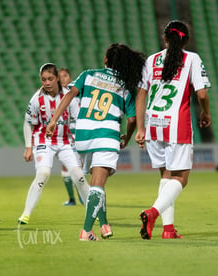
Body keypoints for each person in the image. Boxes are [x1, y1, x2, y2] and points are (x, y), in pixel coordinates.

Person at [46, 43, 146, 241]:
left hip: (82, 136)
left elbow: (69, 94)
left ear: (106, 60)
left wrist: (53, 119)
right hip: (106, 135)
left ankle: (105, 225)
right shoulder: (126, 86)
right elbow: (133, 119)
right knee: (98, 186)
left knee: (96, 184)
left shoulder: (88, 74)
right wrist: (127, 135)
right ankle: (86, 231)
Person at [135, 20, 211, 240]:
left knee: (166, 176)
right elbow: (202, 94)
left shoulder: (152, 60)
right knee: (181, 178)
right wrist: (205, 113)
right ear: (185, 39)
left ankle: (168, 230)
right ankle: (152, 213)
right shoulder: (191, 59)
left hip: (153, 124)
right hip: (176, 124)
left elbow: (141, 94)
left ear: (165, 38)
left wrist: (141, 128)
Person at [18, 63, 90, 225]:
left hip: (65, 141)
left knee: (79, 176)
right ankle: (26, 214)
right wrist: (28, 147)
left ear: (57, 78)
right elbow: (28, 123)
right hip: (44, 140)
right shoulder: (37, 99)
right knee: (43, 173)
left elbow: (79, 119)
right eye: (43, 80)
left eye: (50, 79)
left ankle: (92, 213)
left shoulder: (69, 96)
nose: (47, 83)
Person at [58, 68, 83, 206]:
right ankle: (72, 198)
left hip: (77, 134)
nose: (62, 78)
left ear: (70, 77)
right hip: (64, 135)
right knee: (65, 166)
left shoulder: (76, 92)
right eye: (60, 76)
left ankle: (81, 195)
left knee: (75, 166)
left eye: (65, 76)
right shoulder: (57, 95)